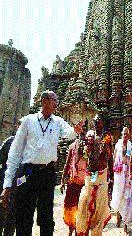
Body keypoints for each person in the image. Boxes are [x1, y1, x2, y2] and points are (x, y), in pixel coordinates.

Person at [0, 90, 82, 236]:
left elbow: (68, 133)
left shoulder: (57, 121)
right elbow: (15, 152)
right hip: (28, 172)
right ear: (44, 101)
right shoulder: (28, 121)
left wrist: (75, 130)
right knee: (24, 215)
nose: (56, 103)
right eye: (53, 100)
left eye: (57, 100)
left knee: (46, 218)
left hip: (47, 172)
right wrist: (7, 184)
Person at [75, 115, 113, 236]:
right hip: (90, 177)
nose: (97, 123)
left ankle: (96, 233)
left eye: (99, 121)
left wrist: (111, 177)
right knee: (84, 203)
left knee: (100, 210)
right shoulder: (89, 138)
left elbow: (110, 158)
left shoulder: (107, 138)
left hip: (102, 176)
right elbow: (84, 157)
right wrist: (82, 139)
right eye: (95, 121)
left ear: (103, 123)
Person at [60, 128, 88, 236]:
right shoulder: (72, 147)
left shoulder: (89, 148)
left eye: (84, 134)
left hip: (84, 183)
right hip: (72, 182)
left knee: (81, 208)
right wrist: (63, 180)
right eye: (80, 134)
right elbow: (67, 164)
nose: (82, 137)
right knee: (70, 207)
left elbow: (92, 167)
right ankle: (71, 228)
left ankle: (78, 229)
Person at [110, 127, 132, 235]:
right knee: (118, 196)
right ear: (121, 134)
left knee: (127, 198)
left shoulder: (130, 145)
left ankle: (126, 225)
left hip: (127, 175)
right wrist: (113, 173)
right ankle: (118, 216)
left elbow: (131, 160)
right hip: (118, 174)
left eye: (127, 134)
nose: (125, 135)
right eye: (124, 133)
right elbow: (114, 158)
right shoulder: (118, 144)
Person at [0, 134, 16, 236]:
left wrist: (19, 181)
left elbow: (30, 170)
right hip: (3, 184)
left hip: (18, 188)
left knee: (12, 219)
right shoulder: (9, 141)